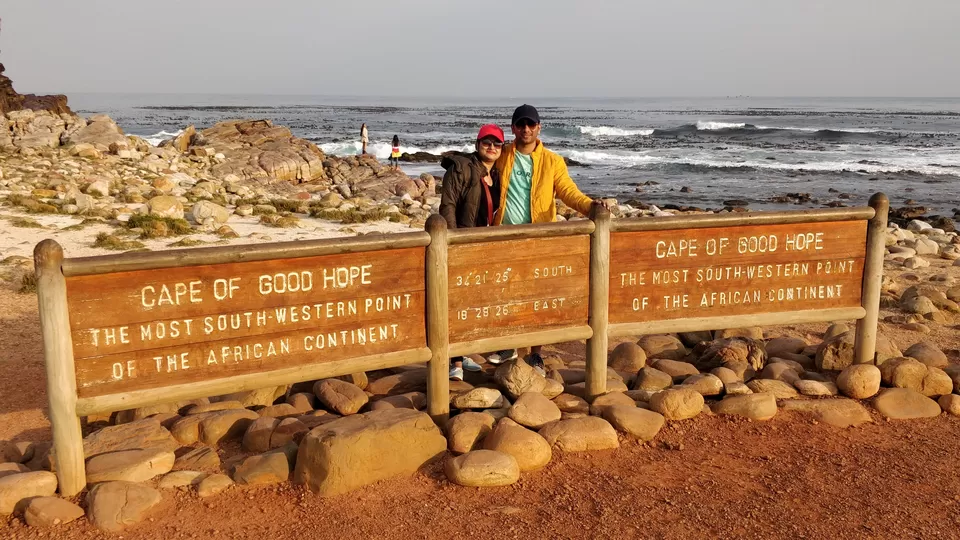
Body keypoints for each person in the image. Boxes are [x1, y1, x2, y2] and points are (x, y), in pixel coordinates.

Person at [489, 104, 609, 375]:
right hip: (503, 237)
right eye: (521, 124)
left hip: (540, 238)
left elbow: (568, 191)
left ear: (539, 127)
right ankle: (508, 345)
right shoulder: (503, 155)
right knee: (506, 293)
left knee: (537, 297)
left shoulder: (553, 161)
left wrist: (591, 206)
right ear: (513, 128)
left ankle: (535, 355)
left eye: (531, 124)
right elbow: (480, 166)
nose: (526, 129)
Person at [439, 124, 505, 380]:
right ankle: (451, 360)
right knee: (456, 301)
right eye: (486, 142)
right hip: (461, 243)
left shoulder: (496, 175)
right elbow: (448, 204)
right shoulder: (462, 168)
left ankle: (462, 353)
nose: (491, 147)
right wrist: (452, 241)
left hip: (482, 245)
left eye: (496, 144)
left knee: (472, 301)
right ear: (477, 145)